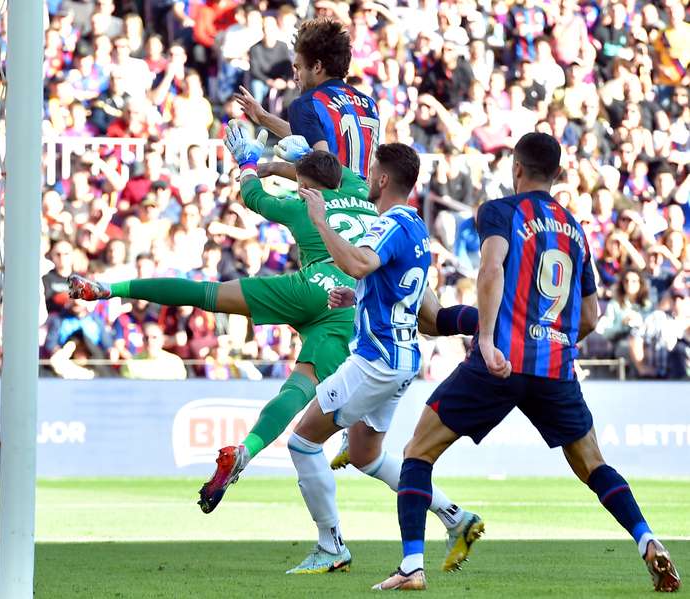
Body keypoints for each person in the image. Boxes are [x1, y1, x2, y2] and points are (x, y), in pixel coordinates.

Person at [69, 125, 478, 514]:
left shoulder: (302, 205)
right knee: (301, 387)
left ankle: (109, 290)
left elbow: (252, 196)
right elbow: (325, 172)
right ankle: (247, 449)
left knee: (207, 294)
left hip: (313, 285)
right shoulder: (363, 193)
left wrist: (249, 164)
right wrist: (294, 160)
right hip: (349, 305)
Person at [377, 133, 681, 592]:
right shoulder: (576, 229)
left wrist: (486, 338)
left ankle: (412, 567)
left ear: (516, 168)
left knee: (418, 452)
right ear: (557, 174)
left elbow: (492, 267)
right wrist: (555, 339)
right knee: (594, 465)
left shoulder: (500, 211)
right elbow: (592, 315)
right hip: (555, 370)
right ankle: (647, 539)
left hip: (498, 362)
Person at [284, 143, 483, 575]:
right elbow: (390, 287)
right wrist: (355, 298)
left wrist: (320, 222)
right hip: (401, 357)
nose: (368, 176)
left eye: (372, 170)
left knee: (302, 441)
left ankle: (330, 544)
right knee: (365, 455)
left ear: (383, 179)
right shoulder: (415, 226)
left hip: (374, 361)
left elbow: (360, 262)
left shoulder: (390, 223)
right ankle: (457, 518)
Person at [234, 17, 380, 178]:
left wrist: (273, 168)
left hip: (333, 200)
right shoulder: (369, 103)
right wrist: (263, 117)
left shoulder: (307, 103)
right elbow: (317, 137)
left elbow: (325, 172)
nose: (295, 77)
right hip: (368, 200)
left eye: (299, 67)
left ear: (317, 67)